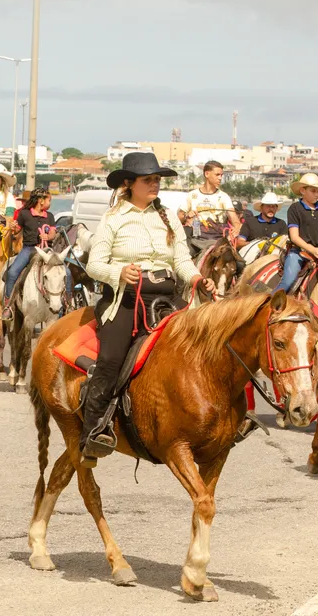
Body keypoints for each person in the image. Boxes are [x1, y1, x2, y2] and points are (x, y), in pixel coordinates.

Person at [82, 152, 215, 461]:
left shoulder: (167, 216)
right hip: (128, 298)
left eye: (157, 179)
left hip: (168, 297)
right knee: (112, 358)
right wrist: (119, 273)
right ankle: (94, 431)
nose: (155, 184)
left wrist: (197, 278)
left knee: (207, 346)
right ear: (129, 184)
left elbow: (181, 260)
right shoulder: (113, 218)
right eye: (148, 179)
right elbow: (94, 265)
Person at [1, 187, 58, 320]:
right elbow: (16, 230)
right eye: (49, 200)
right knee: (13, 272)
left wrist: (48, 237)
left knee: (65, 272)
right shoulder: (24, 214)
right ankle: (8, 305)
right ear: (41, 201)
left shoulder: (49, 216)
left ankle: (66, 303)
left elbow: (53, 233)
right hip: (29, 249)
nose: (50, 203)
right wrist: (13, 228)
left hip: (46, 251)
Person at [276, 173, 318, 294]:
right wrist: (312, 249)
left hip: (317, 252)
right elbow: (294, 237)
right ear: (303, 191)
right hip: (298, 252)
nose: (317, 194)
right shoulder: (295, 209)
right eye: (313, 190)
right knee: (287, 282)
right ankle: (269, 306)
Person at [179, 161, 242, 239]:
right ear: (207, 174)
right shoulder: (192, 195)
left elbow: (233, 217)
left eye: (221, 175)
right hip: (195, 233)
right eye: (217, 175)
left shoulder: (223, 196)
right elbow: (179, 217)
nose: (220, 178)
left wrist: (237, 228)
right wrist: (186, 216)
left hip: (217, 236)